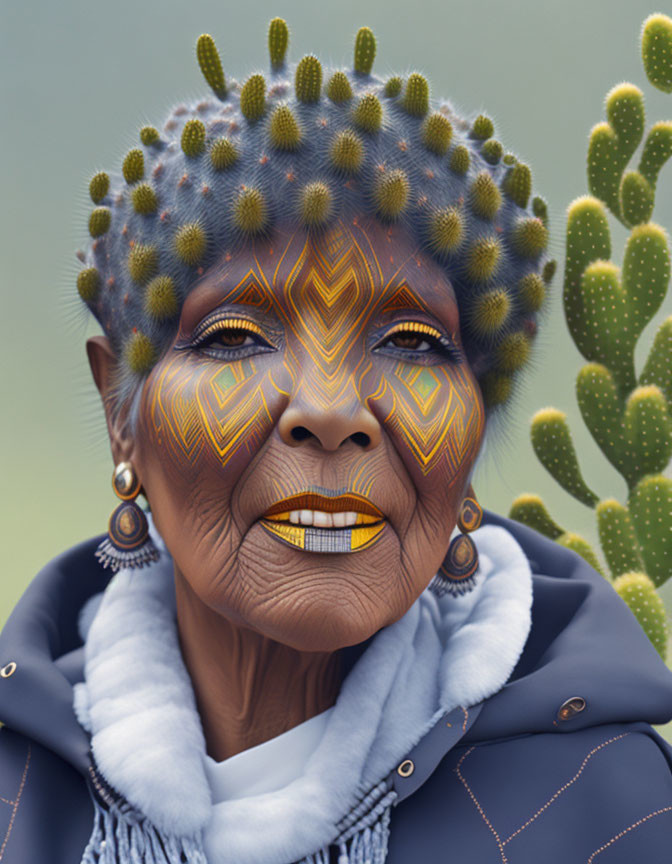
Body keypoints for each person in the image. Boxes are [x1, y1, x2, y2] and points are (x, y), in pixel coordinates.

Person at [1, 18, 671, 864]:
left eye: (413, 343)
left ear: (473, 433)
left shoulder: (605, 815)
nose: (329, 409)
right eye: (236, 337)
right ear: (119, 412)